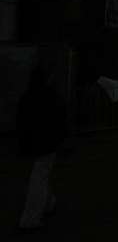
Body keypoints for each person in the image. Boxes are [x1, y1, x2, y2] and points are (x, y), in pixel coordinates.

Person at [16, 68, 67, 231]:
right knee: (40, 176)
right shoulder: (51, 97)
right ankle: (31, 217)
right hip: (47, 144)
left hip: (33, 143)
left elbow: (21, 121)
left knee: (40, 174)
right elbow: (59, 119)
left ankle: (47, 203)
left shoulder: (27, 97)